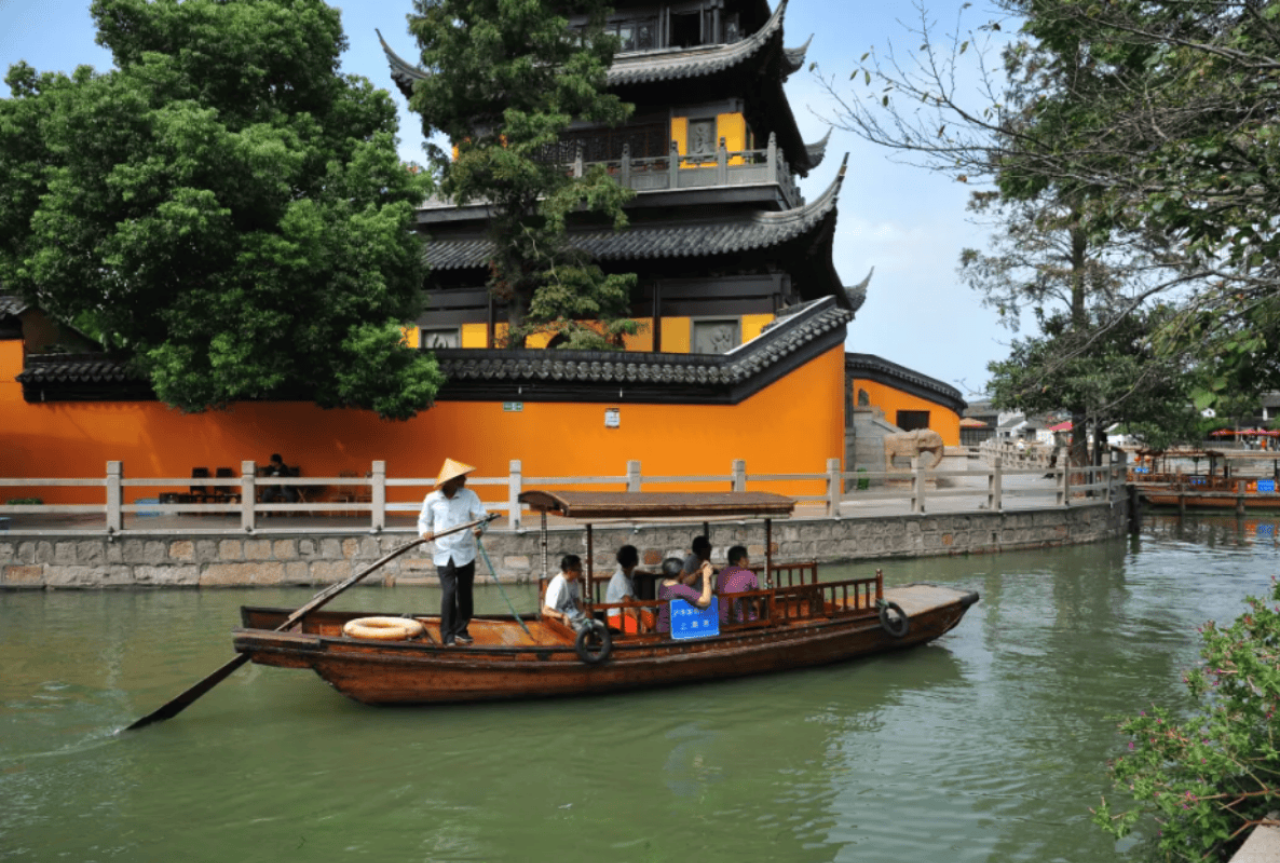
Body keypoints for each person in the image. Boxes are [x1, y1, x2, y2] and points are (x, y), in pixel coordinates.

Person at [417, 457, 489, 646]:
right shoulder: (432, 499)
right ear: (449, 481)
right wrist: (425, 532)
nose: (464, 481)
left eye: (464, 478)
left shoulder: (470, 496)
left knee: (465, 595)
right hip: (443, 552)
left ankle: (461, 630)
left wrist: (480, 528)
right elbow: (423, 521)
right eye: (460, 478)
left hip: (465, 551)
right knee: (449, 593)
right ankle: (446, 634)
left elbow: (481, 517)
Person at [605, 545, 656, 634]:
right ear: (632, 560)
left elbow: (634, 572)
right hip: (617, 614)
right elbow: (628, 604)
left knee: (652, 620)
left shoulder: (627, 572)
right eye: (636, 555)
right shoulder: (620, 578)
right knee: (637, 629)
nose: (638, 557)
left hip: (629, 610)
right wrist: (640, 621)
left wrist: (648, 574)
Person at [656, 556, 714, 634]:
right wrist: (706, 577)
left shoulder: (663, 584)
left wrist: (698, 573)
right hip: (676, 631)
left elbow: (685, 581)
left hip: (663, 627)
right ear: (681, 572)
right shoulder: (680, 589)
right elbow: (705, 601)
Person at [542, 554, 590, 632]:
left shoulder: (574, 580)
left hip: (575, 616)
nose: (581, 571)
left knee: (598, 626)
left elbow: (576, 600)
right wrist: (563, 616)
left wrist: (584, 613)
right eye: (579, 569)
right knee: (586, 632)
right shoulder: (558, 584)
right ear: (570, 572)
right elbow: (545, 610)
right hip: (565, 620)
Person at [715, 545, 760, 624]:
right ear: (739, 560)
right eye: (746, 558)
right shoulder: (749, 574)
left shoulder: (720, 574)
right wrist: (759, 617)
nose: (748, 561)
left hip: (722, 620)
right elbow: (756, 598)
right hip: (742, 620)